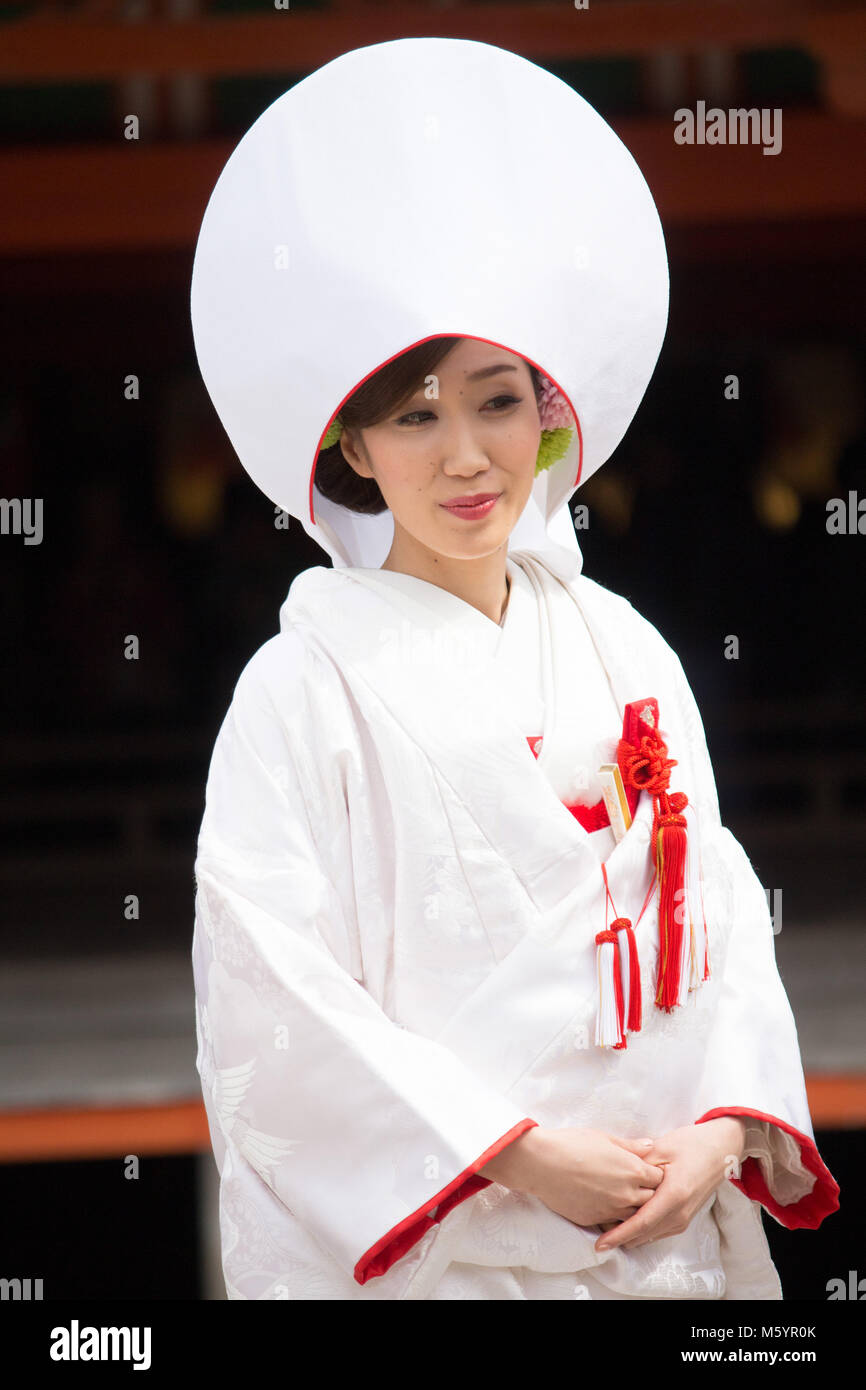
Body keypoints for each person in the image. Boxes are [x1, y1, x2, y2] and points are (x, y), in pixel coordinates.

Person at [189, 37, 838, 1301]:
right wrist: (523, 1155)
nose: (466, 455)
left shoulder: (620, 644)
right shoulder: (299, 688)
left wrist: (719, 1123)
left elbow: (714, 901)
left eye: (496, 401)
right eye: (414, 415)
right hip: (455, 1251)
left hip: (667, 1241)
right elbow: (272, 991)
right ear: (355, 451)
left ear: (549, 416)